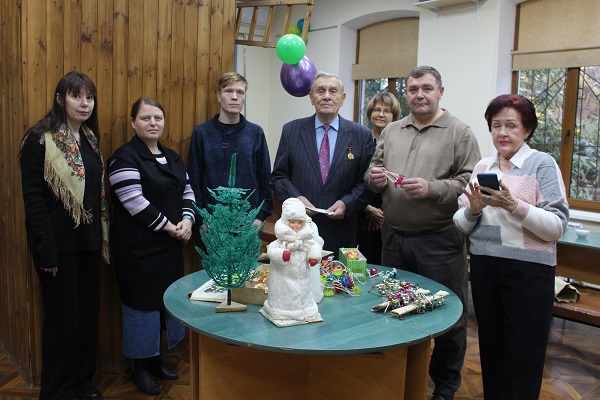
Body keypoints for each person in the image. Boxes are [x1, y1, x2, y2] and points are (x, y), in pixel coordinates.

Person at [364, 66, 481, 400]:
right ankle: (396, 379)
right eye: (413, 89)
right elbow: (372, 170)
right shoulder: (392, 130)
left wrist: (432, 188)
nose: (419, 95)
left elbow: (469, 181)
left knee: (448, 315)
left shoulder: (460, 132)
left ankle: (444, 387)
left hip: (439, 241)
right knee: (392, 307)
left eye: (426, 88)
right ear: (407, 93)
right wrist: (373, 179)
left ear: (440, 92)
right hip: (393, 239)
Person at [453, 94, 569, 400]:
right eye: (496, 125)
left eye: (511, 125)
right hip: (485, 267)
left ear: (527, 130)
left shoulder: (542, 163)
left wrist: (512, 204)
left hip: (529, 271)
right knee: (492, 349)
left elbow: (556, 227)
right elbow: (461, 224)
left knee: (524, 355)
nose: (502, 133)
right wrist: (473, 209)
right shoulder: (483, 165)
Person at [19, 71, 109, 400]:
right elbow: (34, 201)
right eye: (76, 96)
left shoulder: (89, 138)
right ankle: (58, 389)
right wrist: (46, 252)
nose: (85, 103)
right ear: (60, 99)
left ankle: (83, 381)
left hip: (89, 244)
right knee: (62, 322)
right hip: (58, 249)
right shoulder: (39, 139)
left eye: (89, 97)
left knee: (86, 318)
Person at [108, 97, 195, 395]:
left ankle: (156, 360)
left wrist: (187, 221)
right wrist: (171, 227)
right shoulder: (123, 157)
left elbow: (187, 191)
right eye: (145, 118)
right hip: (138, 251)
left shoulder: (172, 156)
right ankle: (140, 368)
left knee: (162, 305)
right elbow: (134, 202)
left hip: (169, 249)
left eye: (158, 117)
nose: (153, 123)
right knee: (141, 307)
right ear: (134, 123)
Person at [271, 72, 375, 253]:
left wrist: (347, 203)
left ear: (342, 98)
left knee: (337, 273)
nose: (326, 96)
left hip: (341, 231)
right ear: (311, 98)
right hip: (298, 231)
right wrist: (297, 200)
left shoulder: (361, 135)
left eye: (333, 91)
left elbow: (366, 182)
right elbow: (279, 176)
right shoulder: (291, 131)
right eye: (320, 91)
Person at [188, 72, 273, 230]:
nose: (234, 97)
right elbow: (194, 179)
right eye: (228, 91)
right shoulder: (202, 133)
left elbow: (265, 178)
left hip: (249, 222)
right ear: (219, 96)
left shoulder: (256, 133)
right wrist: (201, 220)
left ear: (244, 97)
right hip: (211, 223)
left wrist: (260, 217)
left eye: (240, 92)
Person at [260, 198, 323, 327]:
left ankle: (306, 310)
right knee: (284, 295)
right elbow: (272, 251)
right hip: (283, 279)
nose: (296, 225)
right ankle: (283, 313)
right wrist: (282, 255)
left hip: (303, 279)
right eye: (292, 222)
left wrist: (313, 257)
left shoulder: (306, 241)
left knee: (304, 293)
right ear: (286, 222)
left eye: (299, 222)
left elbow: (314, 247)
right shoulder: (280, 242)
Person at [356, 92, 401, 264]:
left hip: (389, 216)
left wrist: (382, 212)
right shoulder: (359, 140)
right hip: (360, 211)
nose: (381, 114)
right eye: (377, 110)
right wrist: (367, 208)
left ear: (394, 116)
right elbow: (352, 176)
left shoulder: (399, 143)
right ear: (370, 114)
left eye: (386, 111)